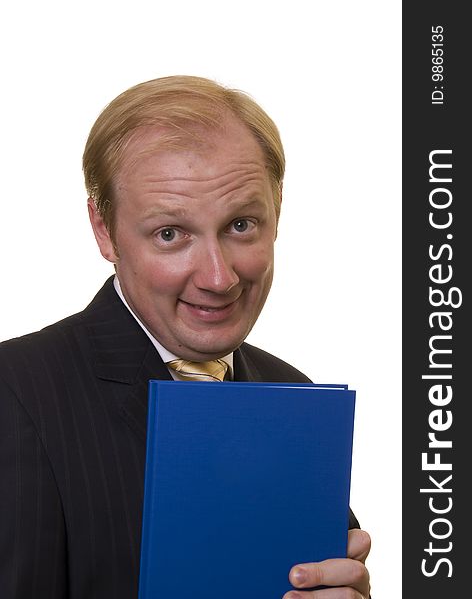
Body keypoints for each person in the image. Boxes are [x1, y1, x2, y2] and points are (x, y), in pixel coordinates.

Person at [0, 75, 371, 598]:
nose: (218, 278)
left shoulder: (292, 395)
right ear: (103, 230)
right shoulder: (16, 393)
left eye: (241, 225)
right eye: (170, 234)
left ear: (277, 214)